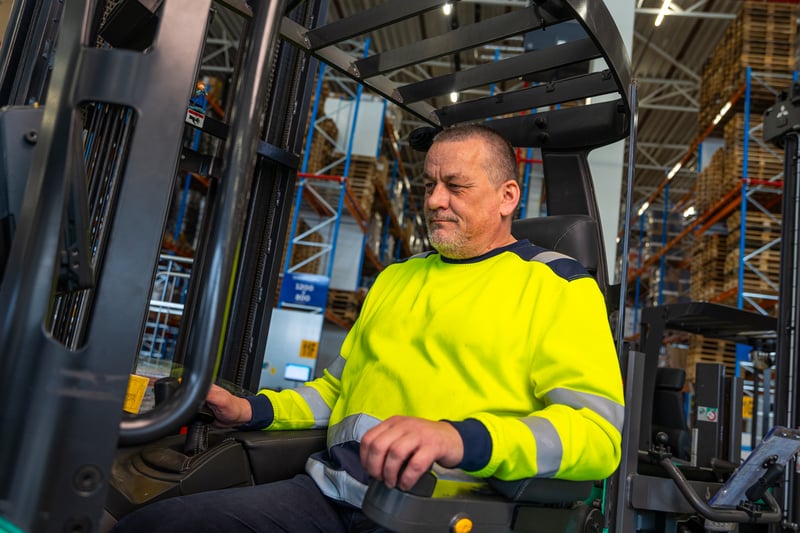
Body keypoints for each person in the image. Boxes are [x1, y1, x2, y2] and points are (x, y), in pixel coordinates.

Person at [112, 124, 625, 532]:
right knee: (153, 524)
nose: (434, 200)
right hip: (330, 493)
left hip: (440, 513)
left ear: (507, 196)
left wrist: (460, 437)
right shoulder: (397, 278)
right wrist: (251, 409)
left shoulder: (557, 286)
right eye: (429, 185)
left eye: (456, 186)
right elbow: (336, 391)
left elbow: (596, 435)